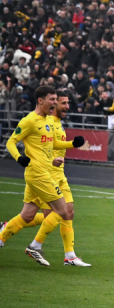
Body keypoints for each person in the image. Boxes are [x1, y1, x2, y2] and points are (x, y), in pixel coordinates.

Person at [0, 86, 82, 264]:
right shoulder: (29, 121)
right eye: (52, 99)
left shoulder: (49, 121)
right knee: (63, 210)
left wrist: (72, 144)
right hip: (38, 174)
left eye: (56, 100)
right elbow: (11, 142)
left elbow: (53, 144)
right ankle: (35, 246)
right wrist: (19, 158)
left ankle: (1, 237)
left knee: (27, 215)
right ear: (40, 100)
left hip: (43, 172)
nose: (55, 103)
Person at [20, 89, 90, 266]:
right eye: (63, 103)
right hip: (46, 173)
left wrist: (73, 144)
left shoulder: (57, 123)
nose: (67, 106)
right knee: (40, 215)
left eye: (67, 103)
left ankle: (70, 256)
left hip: (60, 174)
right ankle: (31, 244)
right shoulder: (46, 121)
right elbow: (43, 147)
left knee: (67, 212)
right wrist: (50, 160)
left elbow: (54, 144)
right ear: (53, 103)